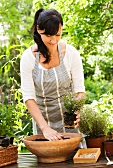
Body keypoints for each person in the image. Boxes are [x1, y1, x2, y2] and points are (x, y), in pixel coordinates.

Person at [20, 8, 85, 141]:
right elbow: (28, 97)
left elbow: (80, 91)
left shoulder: (71, 54)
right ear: (39, 29)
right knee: (47, 157)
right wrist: (45, 128)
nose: (53, 41)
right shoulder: (28, 58)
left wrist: (76, 111)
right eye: (49, 36)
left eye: (57, 35)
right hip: (43, 122)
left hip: (69, 123)